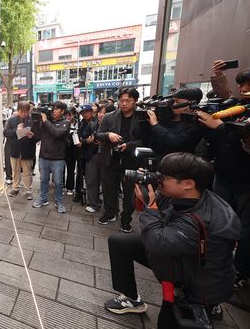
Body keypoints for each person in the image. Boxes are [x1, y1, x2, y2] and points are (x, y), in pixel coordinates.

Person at [104, 153, 240, 325]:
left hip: (196, 281)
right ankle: (131, 299)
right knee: (120, 242)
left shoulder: (202, 220)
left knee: (167, 321)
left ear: (188, 184)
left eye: (164, 177)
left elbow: (156, 242)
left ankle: (208, 306)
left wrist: (151, 209)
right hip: (179, 255)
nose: (159, 180)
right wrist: (145, 194)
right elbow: (151, 207)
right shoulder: (185, 194)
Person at [198, 63, 250, 290]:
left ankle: (240, 270)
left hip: (246, 181)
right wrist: (219, 75)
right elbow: (226, 99)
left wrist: (219, 128)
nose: (244, 89)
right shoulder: (238, 106)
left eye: (248, 85)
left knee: (245, 229)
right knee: (218, 222)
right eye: (241, 84)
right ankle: (217, 263)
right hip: (223, 174)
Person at [95, 87, 144, 232]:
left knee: (130, 193)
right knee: (109, 189)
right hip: (110, 159)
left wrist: (128, 145)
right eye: (121, 100)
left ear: (135, 101)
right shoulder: (110, 116)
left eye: (128, 101)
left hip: (131, 161)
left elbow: (146, 140)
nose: (124, 104)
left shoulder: (142, 118)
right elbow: (98, 134)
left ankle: (126, 219)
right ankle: (110, 212)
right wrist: (108, 134)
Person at [32, 100, 71, 213]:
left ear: (62, 111)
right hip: (43, 156)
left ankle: (59, 202)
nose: (53, 111)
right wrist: (35, 122)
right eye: (52, 109)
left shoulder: (66, 123)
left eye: (56, 109)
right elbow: (38, 136)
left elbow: (57, 133)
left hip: (58, 158)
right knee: (43, 180)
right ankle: (43, 198)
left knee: (58, 182)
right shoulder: (46, 122)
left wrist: (45, 121)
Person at [146, 87, 204, 161]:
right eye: (173, 101)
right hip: (157, 160)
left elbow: (176, 143)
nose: (173, 105)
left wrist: (156, 125)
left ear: (192, 103)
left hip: (178, 163)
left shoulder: (197, 123)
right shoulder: (167, 117)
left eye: (178, 102)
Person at [3, 101, 38, 200]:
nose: (23, 114)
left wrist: (32, 136)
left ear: (28, 111)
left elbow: (38, 135)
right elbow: (6, 133)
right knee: (15, 171)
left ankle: (28, 190)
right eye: (21, 111)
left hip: (27, 150)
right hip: (14, 150)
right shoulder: (11, 120)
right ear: (17, 110)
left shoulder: (32, 121)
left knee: (27, 172)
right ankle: (15, 187)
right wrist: (16, 130)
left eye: (25, 112)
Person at [63, 107, 80, 199]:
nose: (68, 117)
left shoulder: (78, 123)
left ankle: (70, 187)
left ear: (74, 114)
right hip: (63, 148)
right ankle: (61, 186)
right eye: (66, 115)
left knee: (71, 168)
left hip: (73, 149)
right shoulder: (63, 123)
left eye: (70, 114)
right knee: (61, 169)